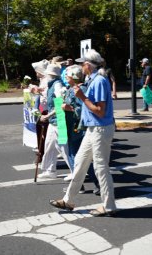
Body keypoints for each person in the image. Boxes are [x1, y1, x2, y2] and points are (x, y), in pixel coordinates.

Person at [49, 49, 117, 217]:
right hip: (92, 129)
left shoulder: (99, 81)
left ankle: (109, 206)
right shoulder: (91, 80)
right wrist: (78, 92)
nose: (80, 66)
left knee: (101, 168)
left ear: (88, 65)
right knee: (79, 163)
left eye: (81, 64)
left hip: (100, 128)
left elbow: (100, 111)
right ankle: (68, 200)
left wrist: (82, 96)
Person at [62, 65, 100, 193]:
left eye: (67, 75)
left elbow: (83, 109)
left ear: (73, 77)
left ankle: (81, 185)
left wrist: (69, 108)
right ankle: (95, 184)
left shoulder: (80, 89)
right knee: (82, 157)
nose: (65, 77)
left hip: (77, 128)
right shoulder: (72, 88)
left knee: (76, 156)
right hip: (72, 126)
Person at [37, 64, 72, 179]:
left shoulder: (57, 85)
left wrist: (47, 116)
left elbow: (59, 104)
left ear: (50, 74)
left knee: (63, 147)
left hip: (59, 120)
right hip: (54, 120)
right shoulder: (53, 84)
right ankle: (50, 170)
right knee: (49, 145)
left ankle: (75, 170)